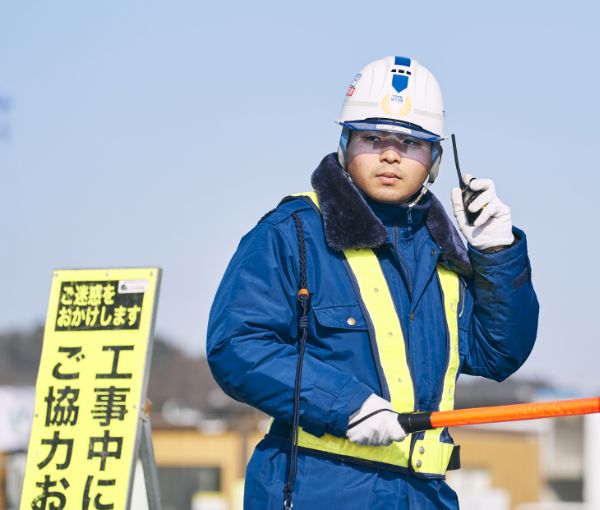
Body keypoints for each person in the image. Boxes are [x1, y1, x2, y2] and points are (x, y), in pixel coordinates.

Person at [206, 55, 539, 509]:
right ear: (344, 144)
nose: (390, 154)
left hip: (424, 495)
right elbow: (238, 345)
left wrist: (496, 253)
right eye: (372, 137)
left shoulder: (442, 252)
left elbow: (497, 353)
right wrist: (345, 404)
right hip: (315, 491)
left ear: (436, 158)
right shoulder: (293, 233)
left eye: (410, 142)